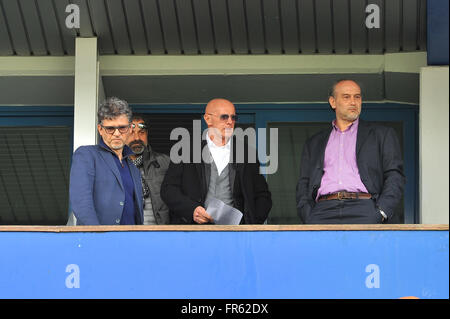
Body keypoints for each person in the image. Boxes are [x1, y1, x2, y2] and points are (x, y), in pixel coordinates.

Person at [296, 80, 405, 224]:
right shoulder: (314, 142)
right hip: (323, 211)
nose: (353, 102)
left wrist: (382, 211)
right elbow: (304, 182)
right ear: (333, 102)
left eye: (357, 97)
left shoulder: (381, 134)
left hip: (365, 208)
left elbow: (395, 175)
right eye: (346, 97)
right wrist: (308, 215)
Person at [161, 98, 272, 224]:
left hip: (235, 234)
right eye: (224, 117)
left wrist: (251, 224)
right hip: (194, 232)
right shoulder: (186, 149)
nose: (230, 122)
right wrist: (192, 210)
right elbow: (168, 189)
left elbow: (263, 195)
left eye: (233, 117)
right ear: (208, 119)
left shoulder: (247, 153)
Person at [69, 97, 143, 225]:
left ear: (130, 129)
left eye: (122, 128)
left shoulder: (133, 167)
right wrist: (97, 238)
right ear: (100, 129)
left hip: (131, 240)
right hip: (99, 241)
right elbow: (81, 202)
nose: (116, 133)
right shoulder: (87, 155)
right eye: (110, 129)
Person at [126, 114, 171, 224]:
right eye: (131, 133)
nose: (137, 138)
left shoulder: (165, 163)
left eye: (141, 133)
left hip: (160, 232)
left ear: (147, 134)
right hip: (126, 233)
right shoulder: (115, 166)